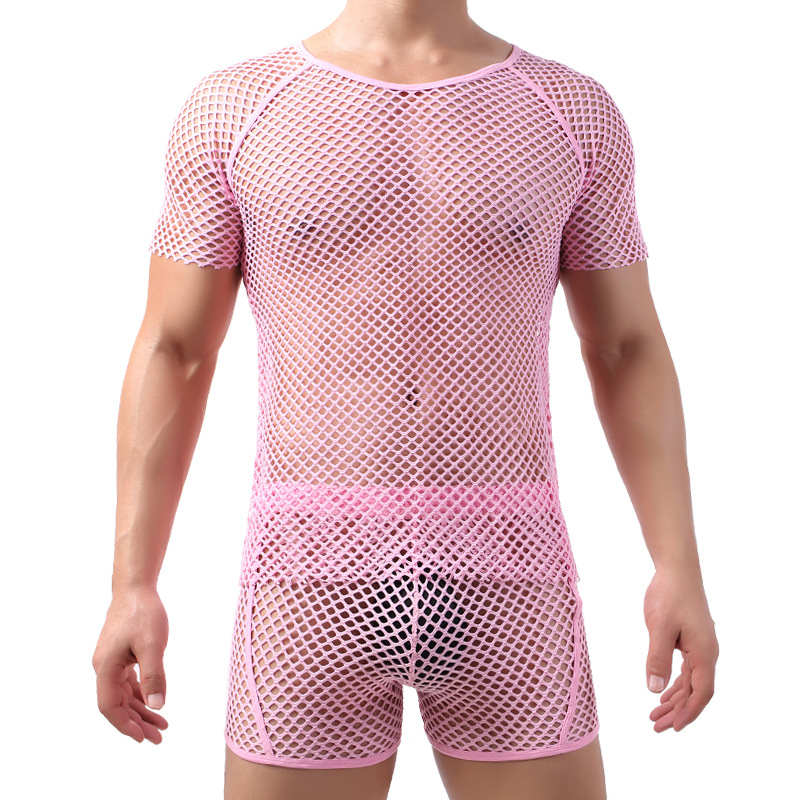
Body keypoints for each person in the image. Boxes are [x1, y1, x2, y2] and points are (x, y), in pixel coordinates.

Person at [92, 1, 719, 798]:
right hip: (310, 575)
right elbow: (175, 349)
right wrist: (132, 584)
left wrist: (677, 563)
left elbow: (626, 346)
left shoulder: (570, 112)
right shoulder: (235, 109)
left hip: (508, 573)